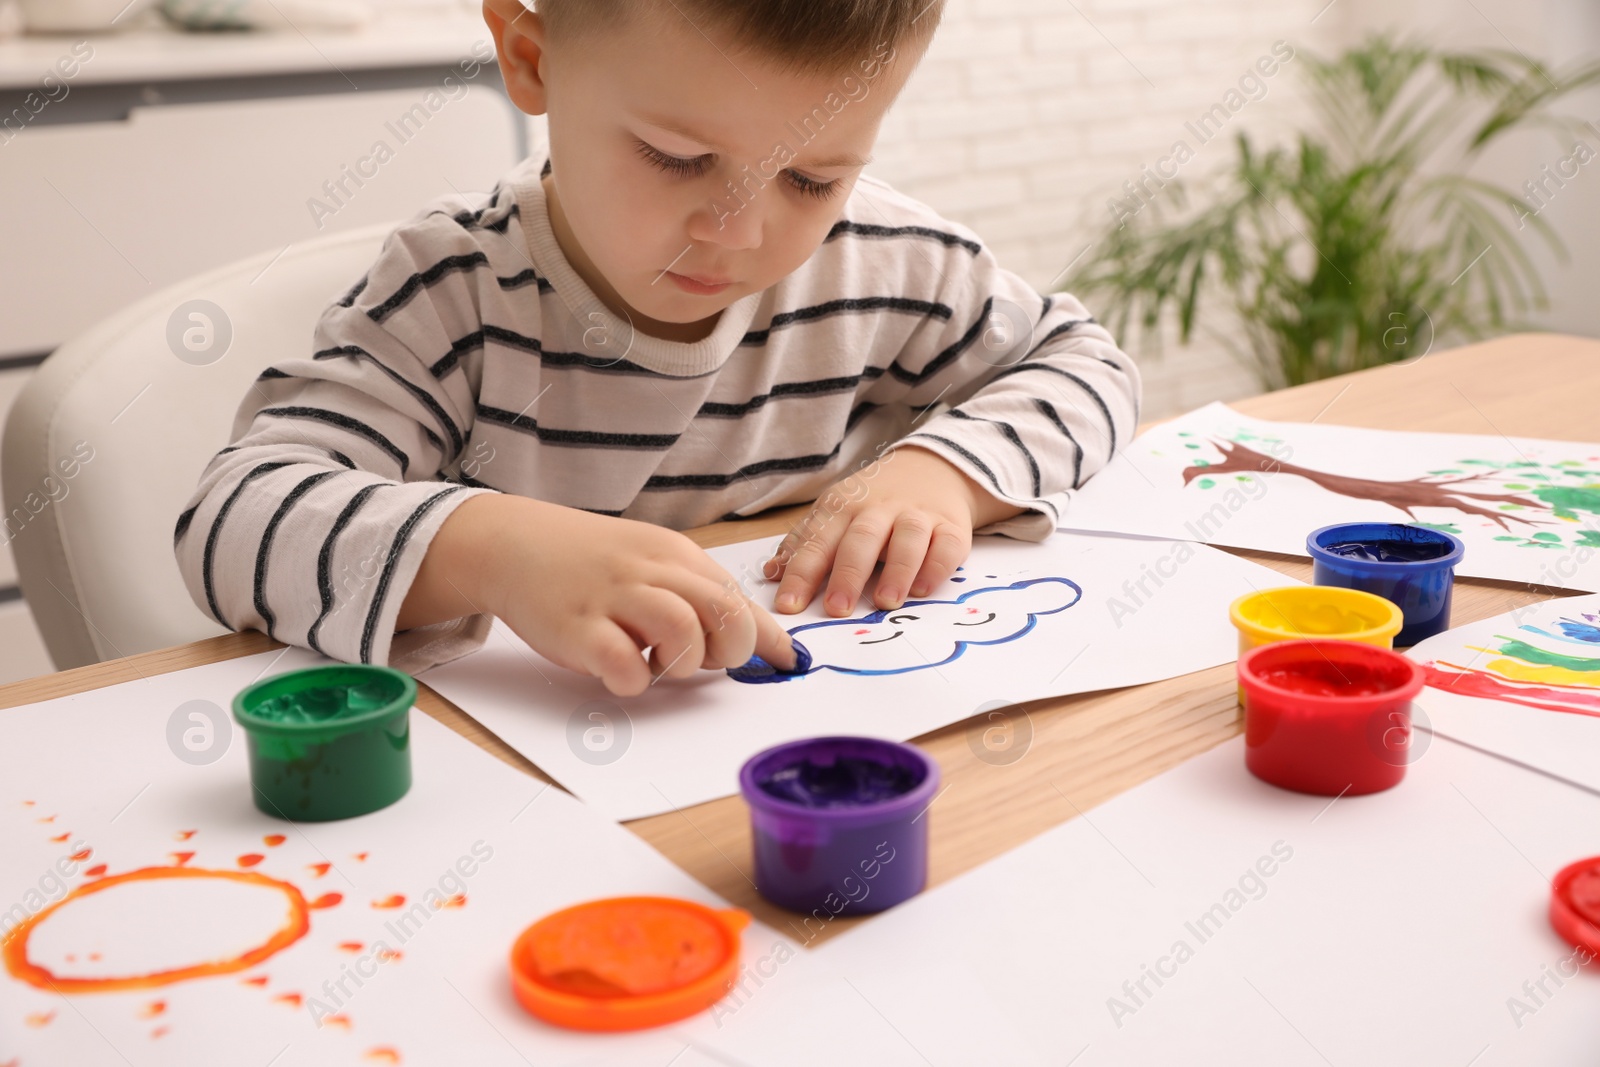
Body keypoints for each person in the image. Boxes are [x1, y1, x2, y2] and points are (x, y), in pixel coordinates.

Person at [173, 0, 1141, 697]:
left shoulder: (880, 260)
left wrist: (942, 474)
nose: (735, 229)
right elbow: (232, 517)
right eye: (678, 159)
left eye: (811, 178)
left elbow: (1086, 363)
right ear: (531, 56)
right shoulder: (455, 293)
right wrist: (500, 551)